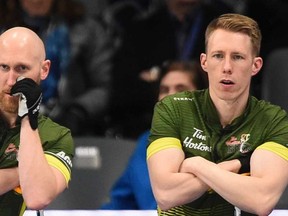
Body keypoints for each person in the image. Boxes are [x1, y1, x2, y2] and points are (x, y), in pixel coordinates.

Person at [147, 13, 288, 215]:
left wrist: (197, 165)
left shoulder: (273, 119)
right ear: (204, 62)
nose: (227, 67)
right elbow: (166, 194)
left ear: (255, 65)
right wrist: (234, 167)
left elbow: (261, 200)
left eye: (238, 57)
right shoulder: (173, 108)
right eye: (218, 56)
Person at [108, 0, 233, 139]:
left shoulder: (227, 27)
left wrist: (155, 76)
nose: (173, 97)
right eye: (164, 89)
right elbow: (122, 90)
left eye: (181, 89)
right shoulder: (140, 29)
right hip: (148, 126)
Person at [101, 60, 208, 209]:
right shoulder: (146, 142)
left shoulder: (215, 141)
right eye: (164, 90)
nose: (169, 96)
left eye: (181, 89)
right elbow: (121, 202)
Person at [0, 27, 74, 216]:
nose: (10, 81)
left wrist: (28, 119)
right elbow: (33, 181)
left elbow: (37, 197)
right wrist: (22, 173)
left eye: (21, 68)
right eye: (3, 67)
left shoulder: (56, 136)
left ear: (44, 70)